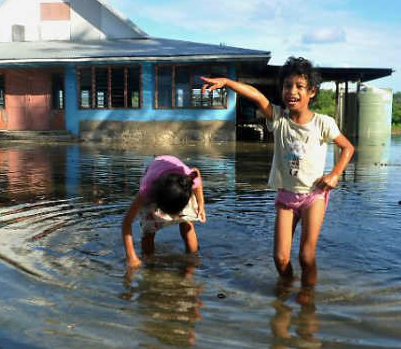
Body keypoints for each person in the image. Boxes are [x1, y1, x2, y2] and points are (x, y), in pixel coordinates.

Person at [202, 56, 354, 287]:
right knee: (280, 258)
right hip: (286, 196)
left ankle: (307, 300)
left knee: (306, 256)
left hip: (314, 195)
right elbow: (255, 95)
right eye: (287, 85)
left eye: (299, 86)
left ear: (311, 92)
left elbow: (347, 148)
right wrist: (227, 82)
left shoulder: (323, 123)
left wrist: (334, 174)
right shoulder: (278, 119)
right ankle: (286, 287)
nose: (292, 91)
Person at [122, 155, 206, 269]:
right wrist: (131, 256)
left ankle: (193, 258)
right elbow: (126, 222)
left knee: (187, 223)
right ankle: (149, 262)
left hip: (178, 185)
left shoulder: (187, 179)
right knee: (148, 231)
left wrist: (201, 204)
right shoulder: (147, 189)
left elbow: (196, 172)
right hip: (156, 185)